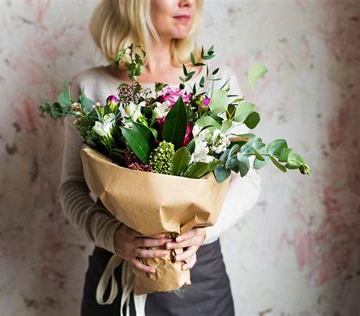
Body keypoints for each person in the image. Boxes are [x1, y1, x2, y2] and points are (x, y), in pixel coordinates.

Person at [58, 0, 262, 315]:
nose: (188, 2)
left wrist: (204, 232)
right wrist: (113, 236)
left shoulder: (215, 82)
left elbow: (247, 178)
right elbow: (72, 186)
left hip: (199, 282)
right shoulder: (89, 87)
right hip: (116, 283)